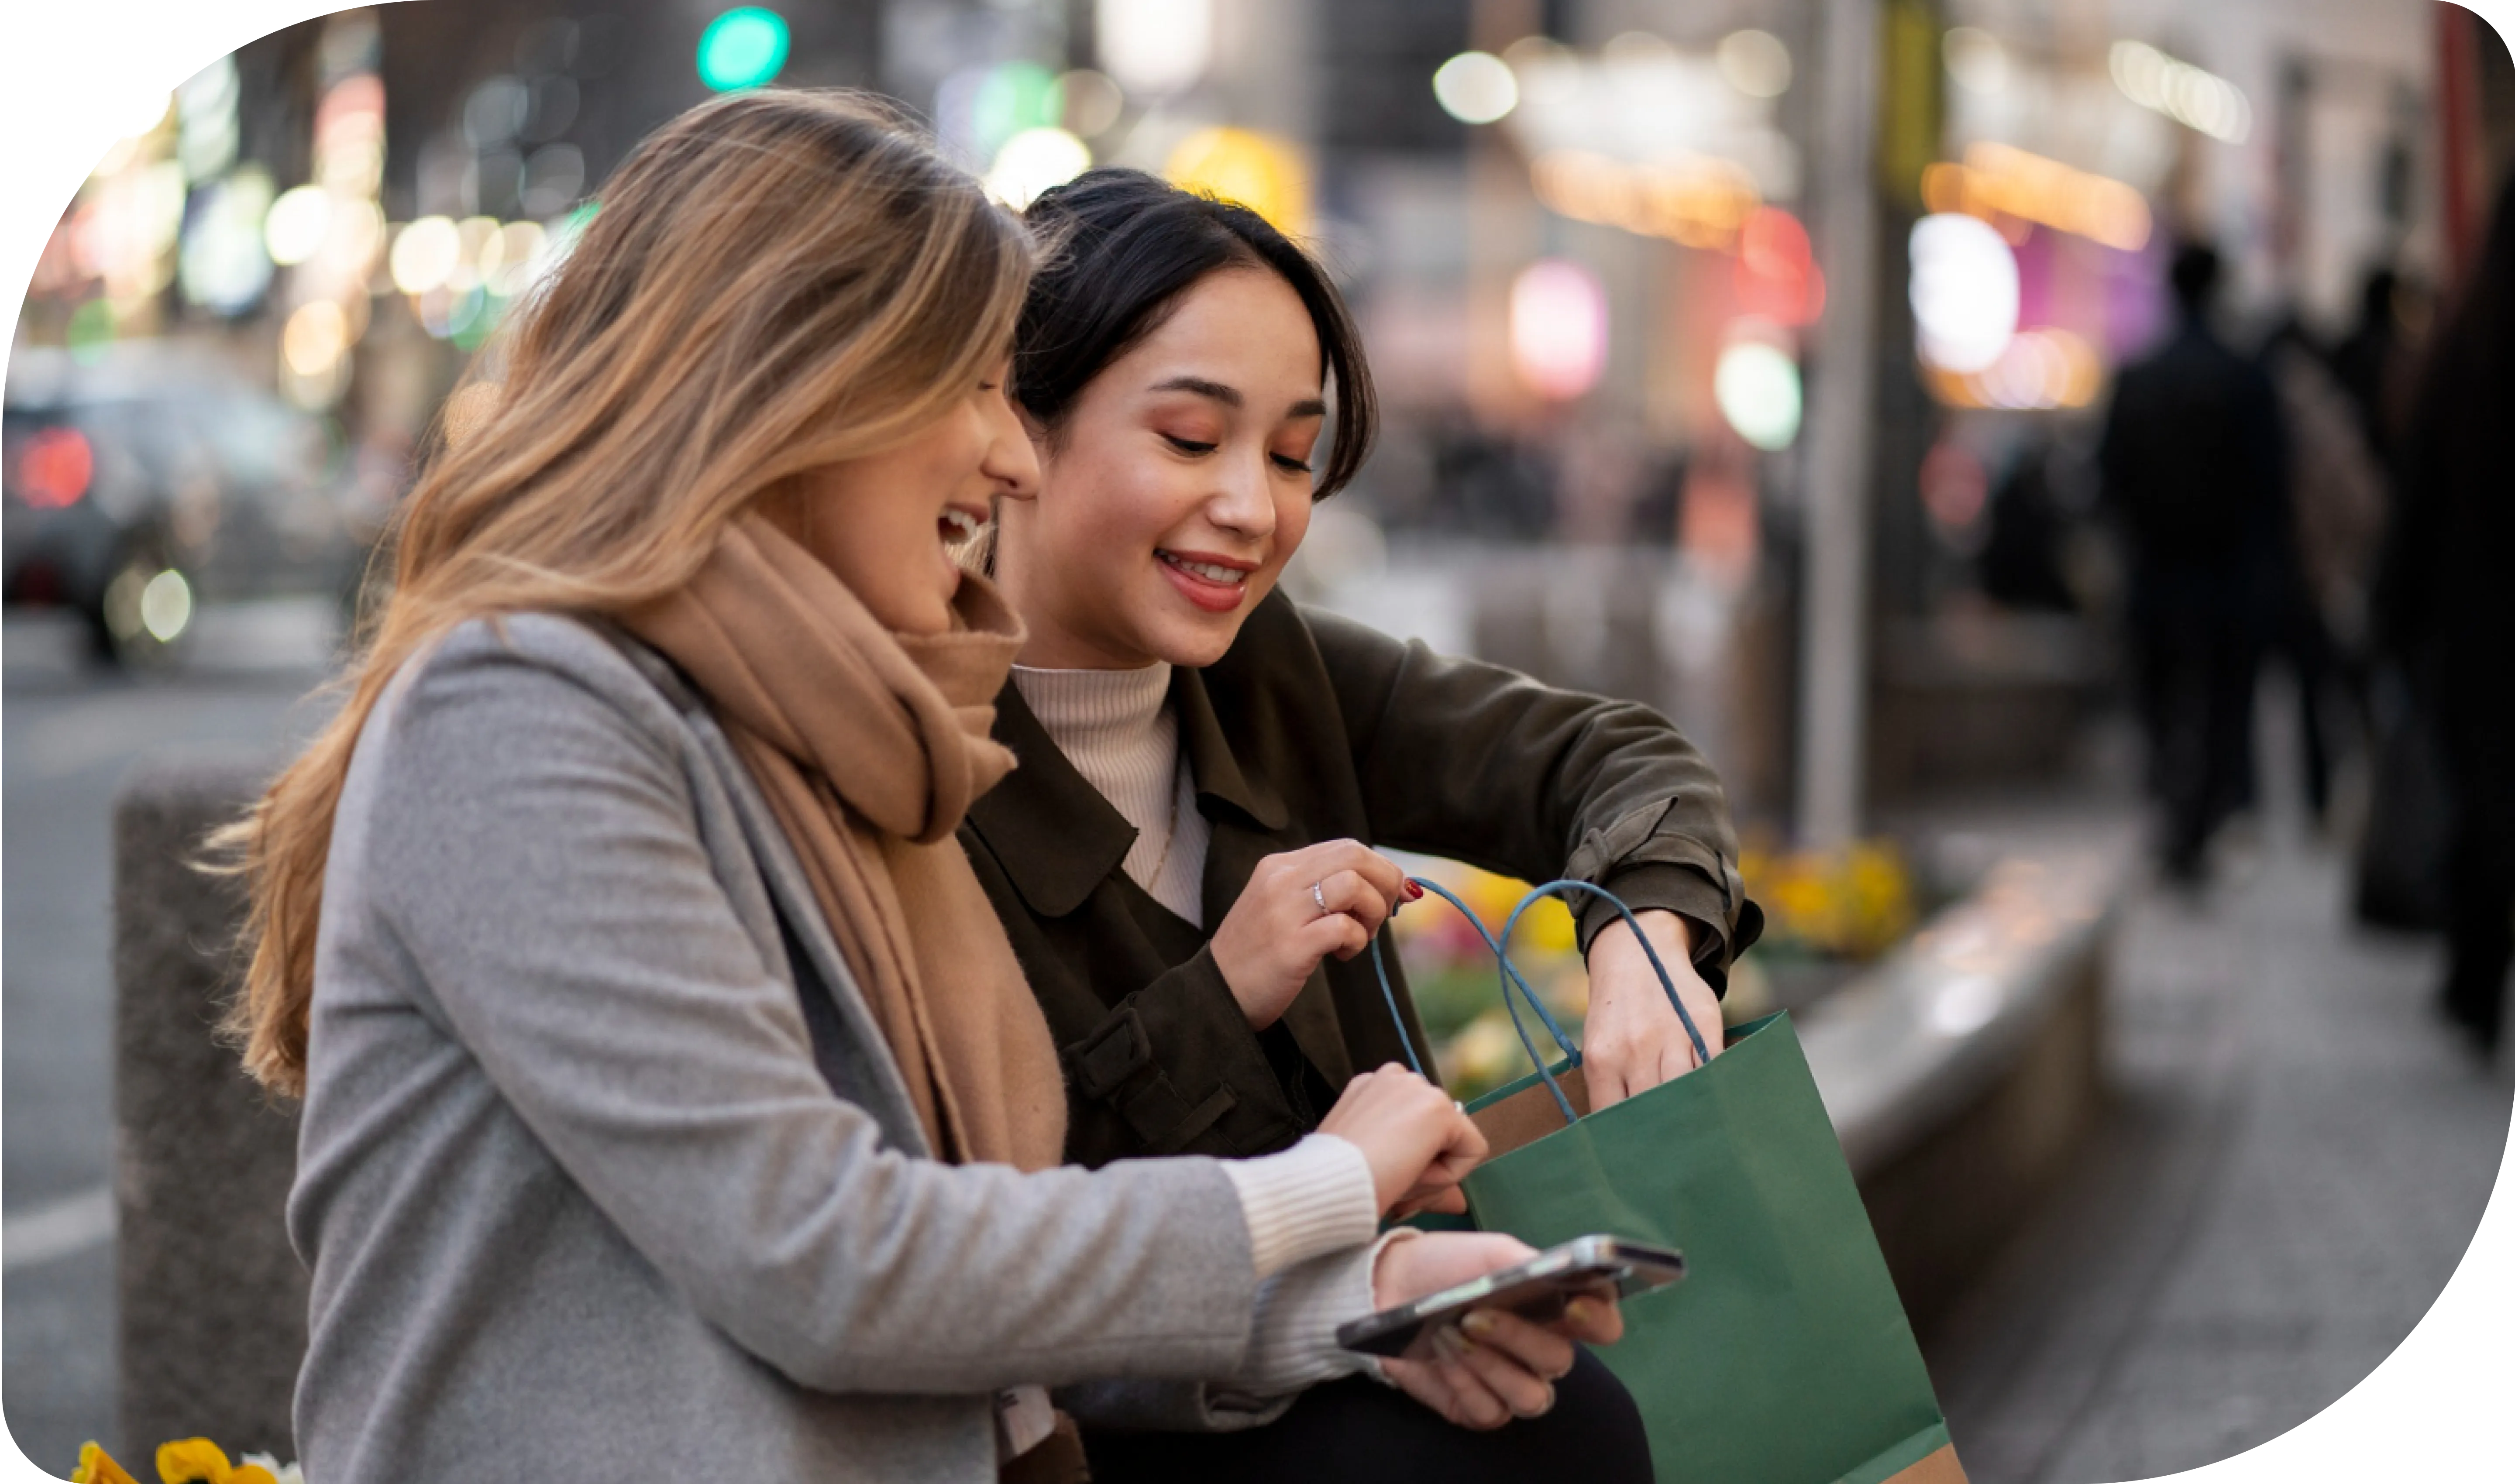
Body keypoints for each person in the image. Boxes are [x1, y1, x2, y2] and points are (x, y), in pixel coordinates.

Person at [218, 93, 1617, 1483]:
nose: (1006, 455)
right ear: (795, 388)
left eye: (1293, 456)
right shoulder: (516, 717)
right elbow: (831, 1263)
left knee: (1553, 1432)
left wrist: (1353, 1308)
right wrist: (1324, 1190)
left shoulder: (850, 730)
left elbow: (983, 1294)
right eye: (967, 387)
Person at [957, 168, 1747, 1474]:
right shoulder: (915, 759)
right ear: (1016, 428)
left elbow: (1614, 758)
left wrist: (1647, 934)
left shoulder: (1272, 672)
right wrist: (1221, 996)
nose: (1254, 512)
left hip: (1403, 1340)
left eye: (1289, 454)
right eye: (1190, 438)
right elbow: (969, 1228)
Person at [2097, 242, 2290, 883]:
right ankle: (2197, 824)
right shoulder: (2245, 378)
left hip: (2156, 572)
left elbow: (2110, 481)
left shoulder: (2139, 377)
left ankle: (2175, 817)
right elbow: (2271, 486)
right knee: (2221, 708)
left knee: (2161, 705)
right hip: (2228, 574)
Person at [2378, 172, 2515, 1054]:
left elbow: (2416, 504)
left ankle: (2475, 978)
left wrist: (2394, 624)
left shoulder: (2464, 349)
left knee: (2484, 801)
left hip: (2478, 628)